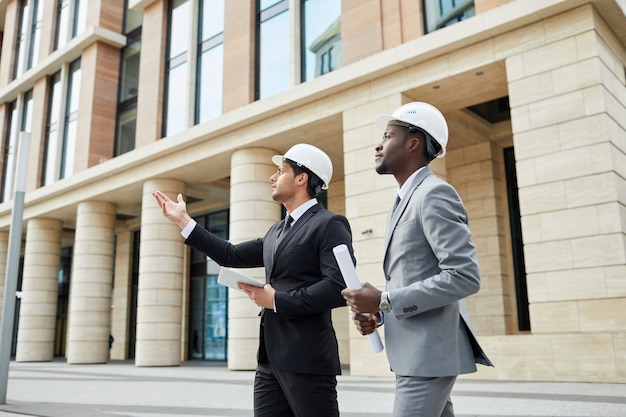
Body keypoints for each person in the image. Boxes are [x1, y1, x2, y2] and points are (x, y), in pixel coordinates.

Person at [153, 143, 355, 417]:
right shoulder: (276, 231)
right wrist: (184, 222)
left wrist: (277, 300)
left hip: (307, 359)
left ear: (301, 178)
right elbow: (230, 254)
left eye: (280, 171)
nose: (272, 177)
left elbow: (338, 287)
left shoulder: (330, 224)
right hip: (269, 360)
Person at [341, 102, 493, 417]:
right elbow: (413, 277)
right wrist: (379, 313)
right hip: (415, 353)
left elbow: (464, 276)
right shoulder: (404, 199)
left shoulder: (434, 194)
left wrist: (383, 300)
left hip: (427, 355)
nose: (378, 144)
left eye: (388, 136)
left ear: (413, 143)